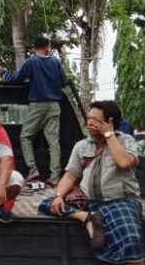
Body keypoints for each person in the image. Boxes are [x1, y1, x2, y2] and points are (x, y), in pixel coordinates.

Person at [38, 101, 144, 264]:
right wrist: (59, 195)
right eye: (88, 118)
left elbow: (124, 162)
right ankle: (87, 217)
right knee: (49, 204)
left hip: (120, 201)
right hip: (90, 203)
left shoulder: (125, 140)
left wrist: (109, 136)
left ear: (109, 123)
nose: (90, 123)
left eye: (96, 120)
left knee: (131, 241)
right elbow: (70, 175)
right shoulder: (81, 146)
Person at [0, 36, 67, 187]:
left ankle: (33, 169)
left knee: (26, 137)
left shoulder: (32, 62)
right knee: (53, 141)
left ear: (34, 49)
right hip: (54, 104)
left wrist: (2, 72)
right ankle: (55, 176)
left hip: (37, 104)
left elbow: (16, 79)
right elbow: (63, 82)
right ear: (48, 47)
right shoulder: (55, 62)